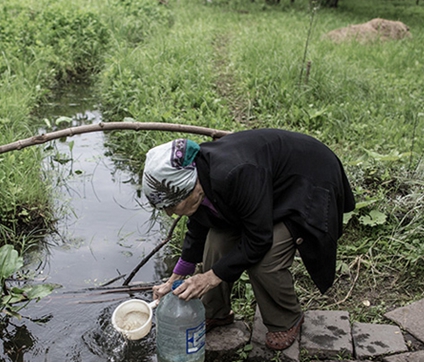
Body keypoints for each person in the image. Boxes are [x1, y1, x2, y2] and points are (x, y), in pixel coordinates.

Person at [143, 129, 355, 350]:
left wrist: (210, 277)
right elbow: (198, 229)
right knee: (216, 242)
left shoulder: (234, 172)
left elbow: (259, 239)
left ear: (192, 188)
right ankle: (216, 312)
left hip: (304, 183)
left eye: (171, 206)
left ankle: (286, 319)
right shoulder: (199, 176)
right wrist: (174, 278)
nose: (170, 213)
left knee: (266, 259)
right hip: (263, 189)